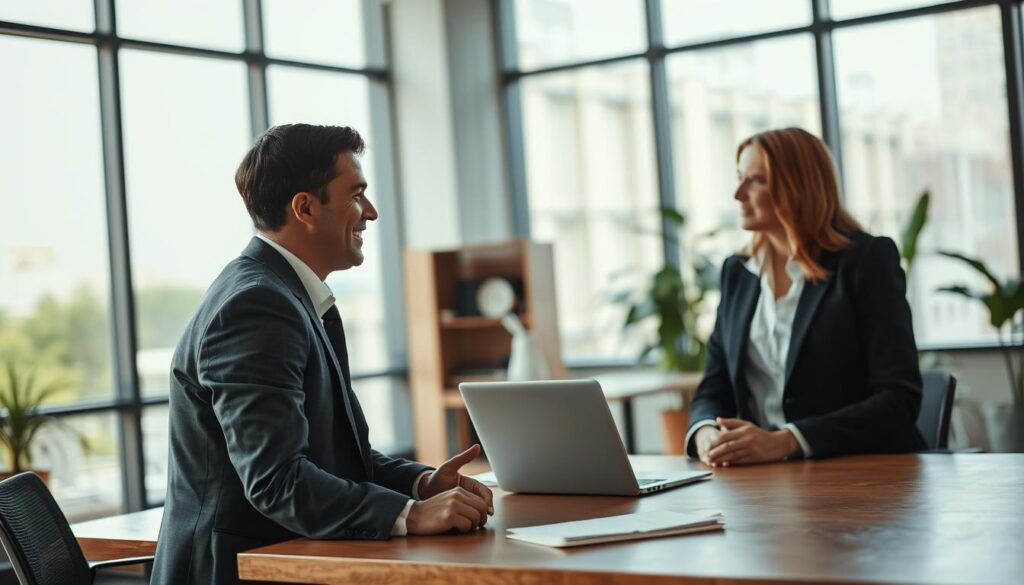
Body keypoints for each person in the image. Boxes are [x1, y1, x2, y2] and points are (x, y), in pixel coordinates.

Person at [151, 124, 494, 585]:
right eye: (356, 195)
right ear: (305, 207)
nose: (370, 212)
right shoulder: (257, 307)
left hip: (284, 558)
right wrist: (411, 516)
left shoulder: (285, 296)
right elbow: (278, 482)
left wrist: (421, 485)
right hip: (238, 571)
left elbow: (333, 457)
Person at [685, 127, 926, 467]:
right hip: (763, 479)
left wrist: (787, 440)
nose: (738, 194)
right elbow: (713, 387)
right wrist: (706, 433)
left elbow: (898, 400)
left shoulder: (866, 261)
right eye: (740, 178)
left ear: (798, 188)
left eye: (756, 181)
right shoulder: (738, 273)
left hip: (862, 474)